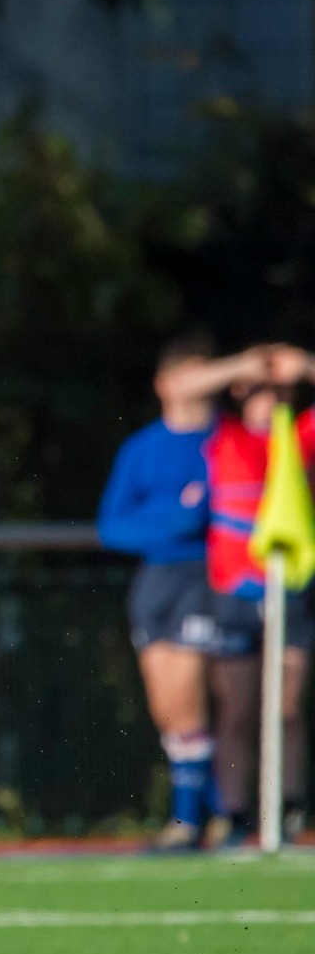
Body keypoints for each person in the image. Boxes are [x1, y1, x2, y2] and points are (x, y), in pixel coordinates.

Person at [159, 344, 315, 844]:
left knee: (287, 708)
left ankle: (288, 810)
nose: (271, 398)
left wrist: (303, 366)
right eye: (261, 391)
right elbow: (178, 389)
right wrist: (248, 365)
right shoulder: (224, 435)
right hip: (234, 590)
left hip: (290, 587)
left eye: (280, 391)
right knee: (237, 710)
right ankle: (233, 812)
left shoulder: (302, 436)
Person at [96, 336, 222, 851]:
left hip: (207, 579)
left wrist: (188, 522)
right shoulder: (142, 447)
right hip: (156, 583)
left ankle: (189, 822)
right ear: (165, 384)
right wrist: (178, 518)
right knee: (167, 709)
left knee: (191, 703)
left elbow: (220, 516)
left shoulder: (226, 443)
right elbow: (113, 527)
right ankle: (210, 810)